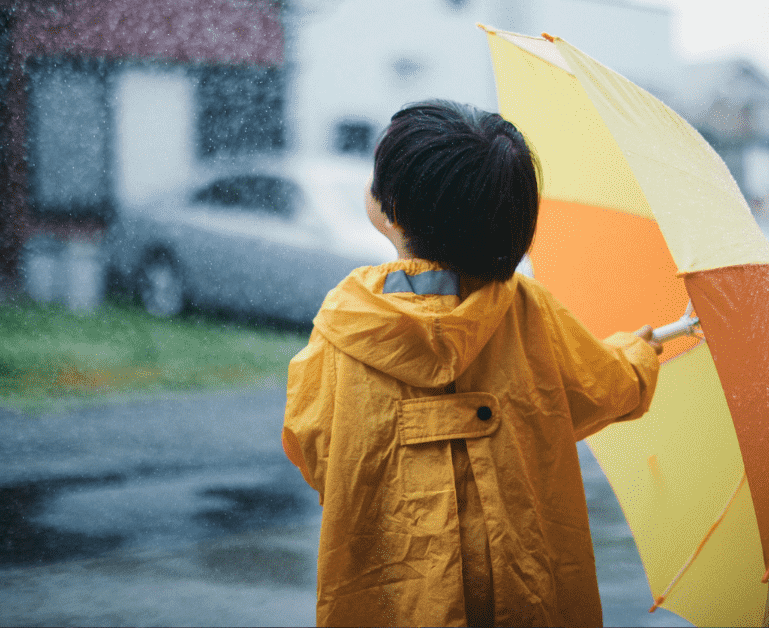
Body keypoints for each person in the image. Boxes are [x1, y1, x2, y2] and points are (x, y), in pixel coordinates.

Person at [282, 100, 662, 628]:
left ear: (389, 206)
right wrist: (638, 353)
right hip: (525, 589)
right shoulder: (529, 313)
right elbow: (604, 386)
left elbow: (310, 441)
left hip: (391, 595)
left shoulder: (343, 326)